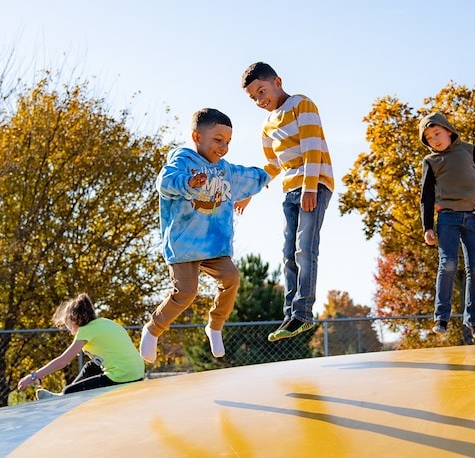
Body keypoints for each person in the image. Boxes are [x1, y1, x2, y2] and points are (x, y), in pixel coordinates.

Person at [139, 108, 270, 363]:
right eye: (217, 140)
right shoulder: (183, 161)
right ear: (197, 137)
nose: (223, 148)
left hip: (214, 245)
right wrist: (189, 184)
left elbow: (251, 176)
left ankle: (215, 325)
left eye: (228, 142)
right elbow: (164, 182)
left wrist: (260, 181)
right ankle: (153, 329)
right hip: (185, 243)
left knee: (231, 277)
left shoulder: (226, 170)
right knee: (186, 293)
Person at [240, 62, 334, 342]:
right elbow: (272, 165)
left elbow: (312, 147)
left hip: (314, 184)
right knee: (288, 253)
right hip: (290, 191)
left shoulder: (301, 105)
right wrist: (250, 192)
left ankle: (304, 312)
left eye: (262, 91)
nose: (259, 100)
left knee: (305, 248)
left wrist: (309, 188)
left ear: (277, 81)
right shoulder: (267, 126)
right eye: (253, 97)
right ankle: (291, 314)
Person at [419, 112, 475, 341]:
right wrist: (427, 227)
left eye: (437, 134)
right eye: (430, 138)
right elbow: (426, 196)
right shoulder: (431, 162)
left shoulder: (468, 150)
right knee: (448, 263)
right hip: (447, 218)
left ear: (448, 130)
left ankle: (474, 321)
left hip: (473, 217)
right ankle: (441, 317)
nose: (435, 140)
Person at [17, 293, 145, 400]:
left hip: (122, 376)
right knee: (91, 366)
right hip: (137, 372)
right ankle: (66, 394)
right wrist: (43, 373)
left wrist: (33, 376)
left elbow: (63, 361)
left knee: (69, 392)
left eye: (67, 323)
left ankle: (66, 396)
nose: (67, 328)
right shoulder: (105, 322)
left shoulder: (85, 330)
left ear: (74, 319)